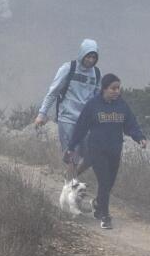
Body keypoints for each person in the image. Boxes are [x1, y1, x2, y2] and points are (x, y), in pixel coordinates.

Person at [67, 73, 147, 231]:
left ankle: (97, 204)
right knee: (104, 182)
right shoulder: (93, 105)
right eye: (113, 88)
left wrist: (140, 138)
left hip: (115, 150)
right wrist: (71, 146)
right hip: (97, 150)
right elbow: (81, 127)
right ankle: (105, 216)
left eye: (118, 88)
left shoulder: (122, 105)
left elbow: (130, 124)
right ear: (104, 89)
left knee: (108, 184)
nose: (117, 91)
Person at [33, 39, 101, 168]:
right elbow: (53, 92)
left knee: (85, 155)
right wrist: (42, 114)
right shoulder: (68, 69)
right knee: (70, 154)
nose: (91, 60)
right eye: (88, 56)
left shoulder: (96, 74)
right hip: (67, 119)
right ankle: (71, 183)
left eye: (94, 57)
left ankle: (74, 179)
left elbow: (98, 99)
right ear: (82, 54)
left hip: (86, 121)